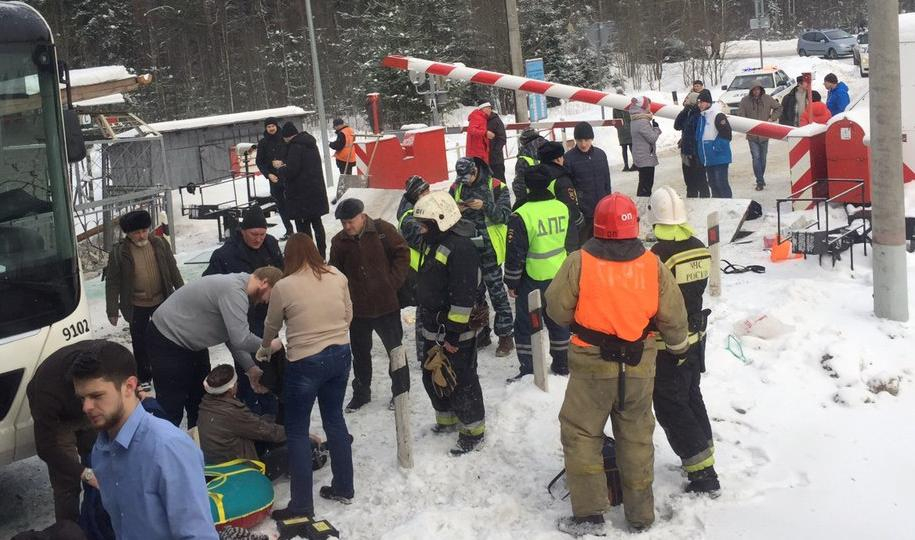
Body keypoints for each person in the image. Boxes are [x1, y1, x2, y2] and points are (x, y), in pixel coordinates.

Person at [545, 193, 689, 535]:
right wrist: (679, 349)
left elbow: (556, 308)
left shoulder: (579, 262)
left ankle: (591, 515)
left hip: (592, 367)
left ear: (596, 226)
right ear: (634, 227)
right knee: (637, 437)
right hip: (639, 364)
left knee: (581, 434)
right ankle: (641, 516)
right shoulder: (651, 265)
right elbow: (674, 316)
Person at [71, 341, 218, 539]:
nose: (86, 407)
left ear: (129, 386)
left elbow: (197, 535)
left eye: (96, 395)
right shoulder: (101, 450)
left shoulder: (168, 447)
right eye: (82, 398)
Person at [260, 233, 355, 519]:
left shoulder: (284, 286)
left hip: (305, 362)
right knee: (335, 419)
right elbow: (349, 314)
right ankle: (344, 487)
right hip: (340, 354)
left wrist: (265, 349)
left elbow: (271, 325)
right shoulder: (337, 275)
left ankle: (302, 504)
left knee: (298, 431)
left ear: (287, 257)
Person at [146, 267, 284, 427]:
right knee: (171, 405)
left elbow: (232, 337)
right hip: (166, 338)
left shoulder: (240, 292)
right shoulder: (234, 291)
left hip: (192, 344)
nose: (268, 302)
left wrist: (251, 368)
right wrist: (268, 346)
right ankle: (163, 448)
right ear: (264, 283)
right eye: (271, 296)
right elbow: (241, 338)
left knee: (200, 402)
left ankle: (196, 446)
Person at [648, 187, 719, 496]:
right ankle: (704, 452)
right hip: (695, 340)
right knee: (691, 396)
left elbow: (653, 302)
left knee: (670, 406)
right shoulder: (700, 248)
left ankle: (703, 474)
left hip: (668, 345)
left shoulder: (658, 257)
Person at [412, 191, 485, 455]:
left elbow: (463, 297)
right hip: (434, 324)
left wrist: (453, 335)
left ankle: (473, 430)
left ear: (441, 220)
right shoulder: (433, 241)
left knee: (462, 378)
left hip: (455, 331)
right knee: (433, 372)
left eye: (425, 225)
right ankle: (447, 419)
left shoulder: (461, 249)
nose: (421, 230)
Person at [329, 197, 410, 412]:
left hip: (386, 305)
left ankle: (401, 391)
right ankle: (362, 393)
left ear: (362, 216)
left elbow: (403, 253)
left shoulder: (383, 230)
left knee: (395, 349)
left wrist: (392, 282)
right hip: (359, 310)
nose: (347, 227)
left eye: (350, 221)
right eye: (343, 223)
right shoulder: (338, 242)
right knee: (361, 354)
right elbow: (335, 273)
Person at [203, 206, 283, 416]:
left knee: (271, 365)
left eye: (262, 234)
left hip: (267, 317)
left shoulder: (271, 245)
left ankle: (274, 411)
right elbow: (208, 282)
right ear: (242, 231)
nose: (258, 239)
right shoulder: (225, 254)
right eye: (253, 234)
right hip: (240, 319)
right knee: (248, 365)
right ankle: (250, 412)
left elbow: (281, 276)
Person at [504, 164, 578, 381]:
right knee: (559, 321)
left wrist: (512, 282)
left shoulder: (521, 214)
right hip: (559, 277)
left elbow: (515, 253)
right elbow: (572, 243)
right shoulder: (562, 208)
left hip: (531, 279)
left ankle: (530, 369)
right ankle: (562, 365)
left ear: (527, 186)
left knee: (526, 325)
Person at [26, 342, 104, 523]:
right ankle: (69, 529)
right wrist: (84, 473)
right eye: (84, 395)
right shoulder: (46, 394)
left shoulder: (106, 358)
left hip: (85, 414)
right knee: (66, 481)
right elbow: (46, 447)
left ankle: (98, 522)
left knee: (99, 461)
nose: (87, 405)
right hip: (59, 421)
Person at [105, 209, 183, 386]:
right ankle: (145, 376)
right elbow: (112, 282)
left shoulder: (160, 244)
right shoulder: (119, 253)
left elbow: (173, 270)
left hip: (161, 301)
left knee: (166, 338)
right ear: (128, 234)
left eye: (144, 231)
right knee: (140, 342)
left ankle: (167, 371)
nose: (141, 236)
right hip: (136, 304)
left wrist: (182, 294)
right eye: (136, 232)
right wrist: (112, 310)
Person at [450, 157, 514, 356]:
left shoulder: (496, 186)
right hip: (466, 249)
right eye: (462, 179)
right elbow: (444, 213)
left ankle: (505, 336)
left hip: (489, 250)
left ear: (475, 171)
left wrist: (484, 206)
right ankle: (482, 331)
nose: (465, 182)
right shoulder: (456, 187)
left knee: (497, 294)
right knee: (474, 295)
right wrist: (455, 209)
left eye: (468, 177)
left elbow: (505, 215)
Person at [197, 364, 286, 466]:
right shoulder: (232, 412)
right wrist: (294, 433)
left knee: (265, 423)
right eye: (235, 382)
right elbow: (267, 432)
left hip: (216, 462)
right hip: (236, 468)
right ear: (230, 389)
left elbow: (252, 425)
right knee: (295, 446)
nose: (237, 384)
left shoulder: (206, 404)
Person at [276, 122, 329, 258]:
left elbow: (292, 170)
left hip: (301, 195)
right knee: (317, 223)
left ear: (287, 137)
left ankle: (309, 257)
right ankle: (322, 254)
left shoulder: (295, 147)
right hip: (315, 190)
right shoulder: (310, 143)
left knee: (303, 229)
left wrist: (280, 168)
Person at [397, 175, 432, 362]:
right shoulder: (409, 219)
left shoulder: (418, 210)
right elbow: (425, 243)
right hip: (418, 270)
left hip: (423, 267)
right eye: (424, 191)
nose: (429, 194)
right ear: (416, 194)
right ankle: (424, 353)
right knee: (424, 312)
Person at [563, 122, 611, 242]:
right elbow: (567, 187)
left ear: (591, 139)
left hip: (601, 210)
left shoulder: (600, 155)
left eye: (586, 140)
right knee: (584, 245)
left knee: (602, 243)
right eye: (579, 140)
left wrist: (608, 202)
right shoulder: (569, 158)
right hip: (583, 213)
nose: (583, 144)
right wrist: (576, 211)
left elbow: (606, 180)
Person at [737, 85, 782, 191]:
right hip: (752, 135)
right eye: (754, 90)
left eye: (758, 89)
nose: (756, 92)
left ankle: (760, 177)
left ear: (761, 90)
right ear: (751, 90)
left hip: (765, 134)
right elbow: (741, 115)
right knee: (756, 157)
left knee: (763, 158)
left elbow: (779, 107)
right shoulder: (745, 101)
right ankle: (760, 181)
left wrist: (772, 118)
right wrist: (745, 123)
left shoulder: (767, 98)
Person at [255, 117, 293, 239]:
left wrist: (283, 162)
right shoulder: (263, 143)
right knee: (281, 206)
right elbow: (260, 162)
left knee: (293, 202)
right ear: (266, 128)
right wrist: (268, 174)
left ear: (277, 126)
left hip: (288, 176)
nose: (271, 128)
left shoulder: (284, 138)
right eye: (268, 126)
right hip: (274, 179)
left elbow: (293, 155)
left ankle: (301, 229)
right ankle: (289, 230)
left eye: (273, 126)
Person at [537, 141, 585, 236]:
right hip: (563, 229)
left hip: (542, 228)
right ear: (558, 159)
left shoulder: (535, 176)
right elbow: (571, 206)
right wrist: (579, 220)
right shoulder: (561, 179)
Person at [696, 89, 733, 198]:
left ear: (708, 102)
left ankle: (727, 207)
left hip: (718, 157)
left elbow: (727, 134)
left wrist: (715, 147)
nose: (699, 105)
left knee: (721, 184)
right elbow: (700, 137)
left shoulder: (718, 115)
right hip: (709, 158)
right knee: (713, 185)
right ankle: (717, 209)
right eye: (698, 102)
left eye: (701, 102)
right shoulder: (702, 117)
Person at [674, 92, 710, 198]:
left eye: (688, 98)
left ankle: (704, 199)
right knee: (689, 181)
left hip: (695, 153)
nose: (685, 100)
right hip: (686, 152)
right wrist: (684, 111)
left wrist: (689, 144)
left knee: (700, 179)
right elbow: (677, 125)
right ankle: (692, 198)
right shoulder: (687, 113)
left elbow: (695, 133)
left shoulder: (698, 114)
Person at [627, 97, 662, 197]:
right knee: (646, 185)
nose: (650, 107)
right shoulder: (642, 121)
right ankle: (643, 206)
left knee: (643, 183)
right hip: (645, 157)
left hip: (641, 155)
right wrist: (656, 128)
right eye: (649, 104)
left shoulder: (636, 118)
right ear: (643, 106)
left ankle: (642, 204)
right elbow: (652, 138)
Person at [513, 128, 548, 207]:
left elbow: (519, 185)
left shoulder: (524, 157)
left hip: (532, 200)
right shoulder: (550, 149)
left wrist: (519, 205)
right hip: (553, 198)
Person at [466, 101, 494, 170]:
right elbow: (471, 130)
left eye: (490, 108)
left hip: (481, 151)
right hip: (476, 152)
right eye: (488, 108)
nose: (490, 110)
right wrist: (485, 133)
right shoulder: (477, 116)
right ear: (483, 108)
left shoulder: (483, 117)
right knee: (479, 173)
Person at [611, 90, 635, 173]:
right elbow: (615, 120)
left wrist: (618, 127)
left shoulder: (616, 107)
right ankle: (632, 164)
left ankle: (627, 165)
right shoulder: (627, 106)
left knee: (626, 148)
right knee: (630, 148)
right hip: (627, 130)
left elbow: (614, 120)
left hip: (624, 130)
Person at [487, 108, 507, 180]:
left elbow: (502, 138)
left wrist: (495, 152)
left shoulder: (496, 120)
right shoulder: (481, 120)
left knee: (498, 179)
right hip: (485, 157)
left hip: (496, 158)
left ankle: (502, 191)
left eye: (488, 108)